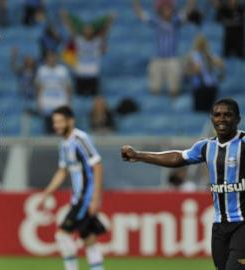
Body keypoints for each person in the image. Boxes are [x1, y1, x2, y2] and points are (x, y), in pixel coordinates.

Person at [121, 98, 245, 270]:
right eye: (217, 115)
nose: (221, 119)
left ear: (238, 119)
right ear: (211, 118)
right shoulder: (206, 146)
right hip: (220, 227)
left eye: (227, 115)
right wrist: (139, 155)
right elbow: (178, 158)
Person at [38, 106, 106, 270]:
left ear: (71, 121)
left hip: (85, 196)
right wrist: (47, 193)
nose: (57, 125)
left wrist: (95, 198)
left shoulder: (80, 139)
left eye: (60, 121)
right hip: (78, 196)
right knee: (88, 238)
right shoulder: (64, 143)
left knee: (62, 235)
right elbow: (63, 171)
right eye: (55, 122)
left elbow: (97, 165)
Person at [132, 0, 196, 96]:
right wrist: (135, 3)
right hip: (158, 59)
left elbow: (188, 11)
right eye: (165, 9)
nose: (167, 11)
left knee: (174, 89)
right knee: (154, 89)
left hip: (172, 59)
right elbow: (141, 15)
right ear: (160, 11)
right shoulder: (156, 22)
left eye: (169, 9)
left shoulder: (176, 22)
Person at [61, 10, 114, 96]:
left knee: (94, 98)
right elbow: (71, 30)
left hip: (93, 75)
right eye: (86, 30)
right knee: (79, 97)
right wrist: (65, 17)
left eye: (90, 29)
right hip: (80, 75)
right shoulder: (78, 41)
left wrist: (109, 21)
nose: (88, 32)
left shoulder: (97, 41)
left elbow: (105, 32)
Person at [35, 51, 72, 133]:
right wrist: (38, 102)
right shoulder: (42, 70)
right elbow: (38, 88)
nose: (51, 59)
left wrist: (69, 102)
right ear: (46, 59)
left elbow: (68, 88)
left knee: (60, 128)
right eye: (50, 57)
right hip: (46, 104)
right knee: (48, 128)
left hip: (60, 103)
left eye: (53, 57)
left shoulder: (63, 71)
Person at [187, 34, 224, 112]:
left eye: (203, 44)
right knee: (199, 111)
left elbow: (221, 67)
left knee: (212, 111)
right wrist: (194, 69)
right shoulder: (192, 56)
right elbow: (188, 71)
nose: (201, 46)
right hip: (199, 88)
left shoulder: (210, 55)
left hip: (211, 87)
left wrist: (218, 64)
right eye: (199, 44)